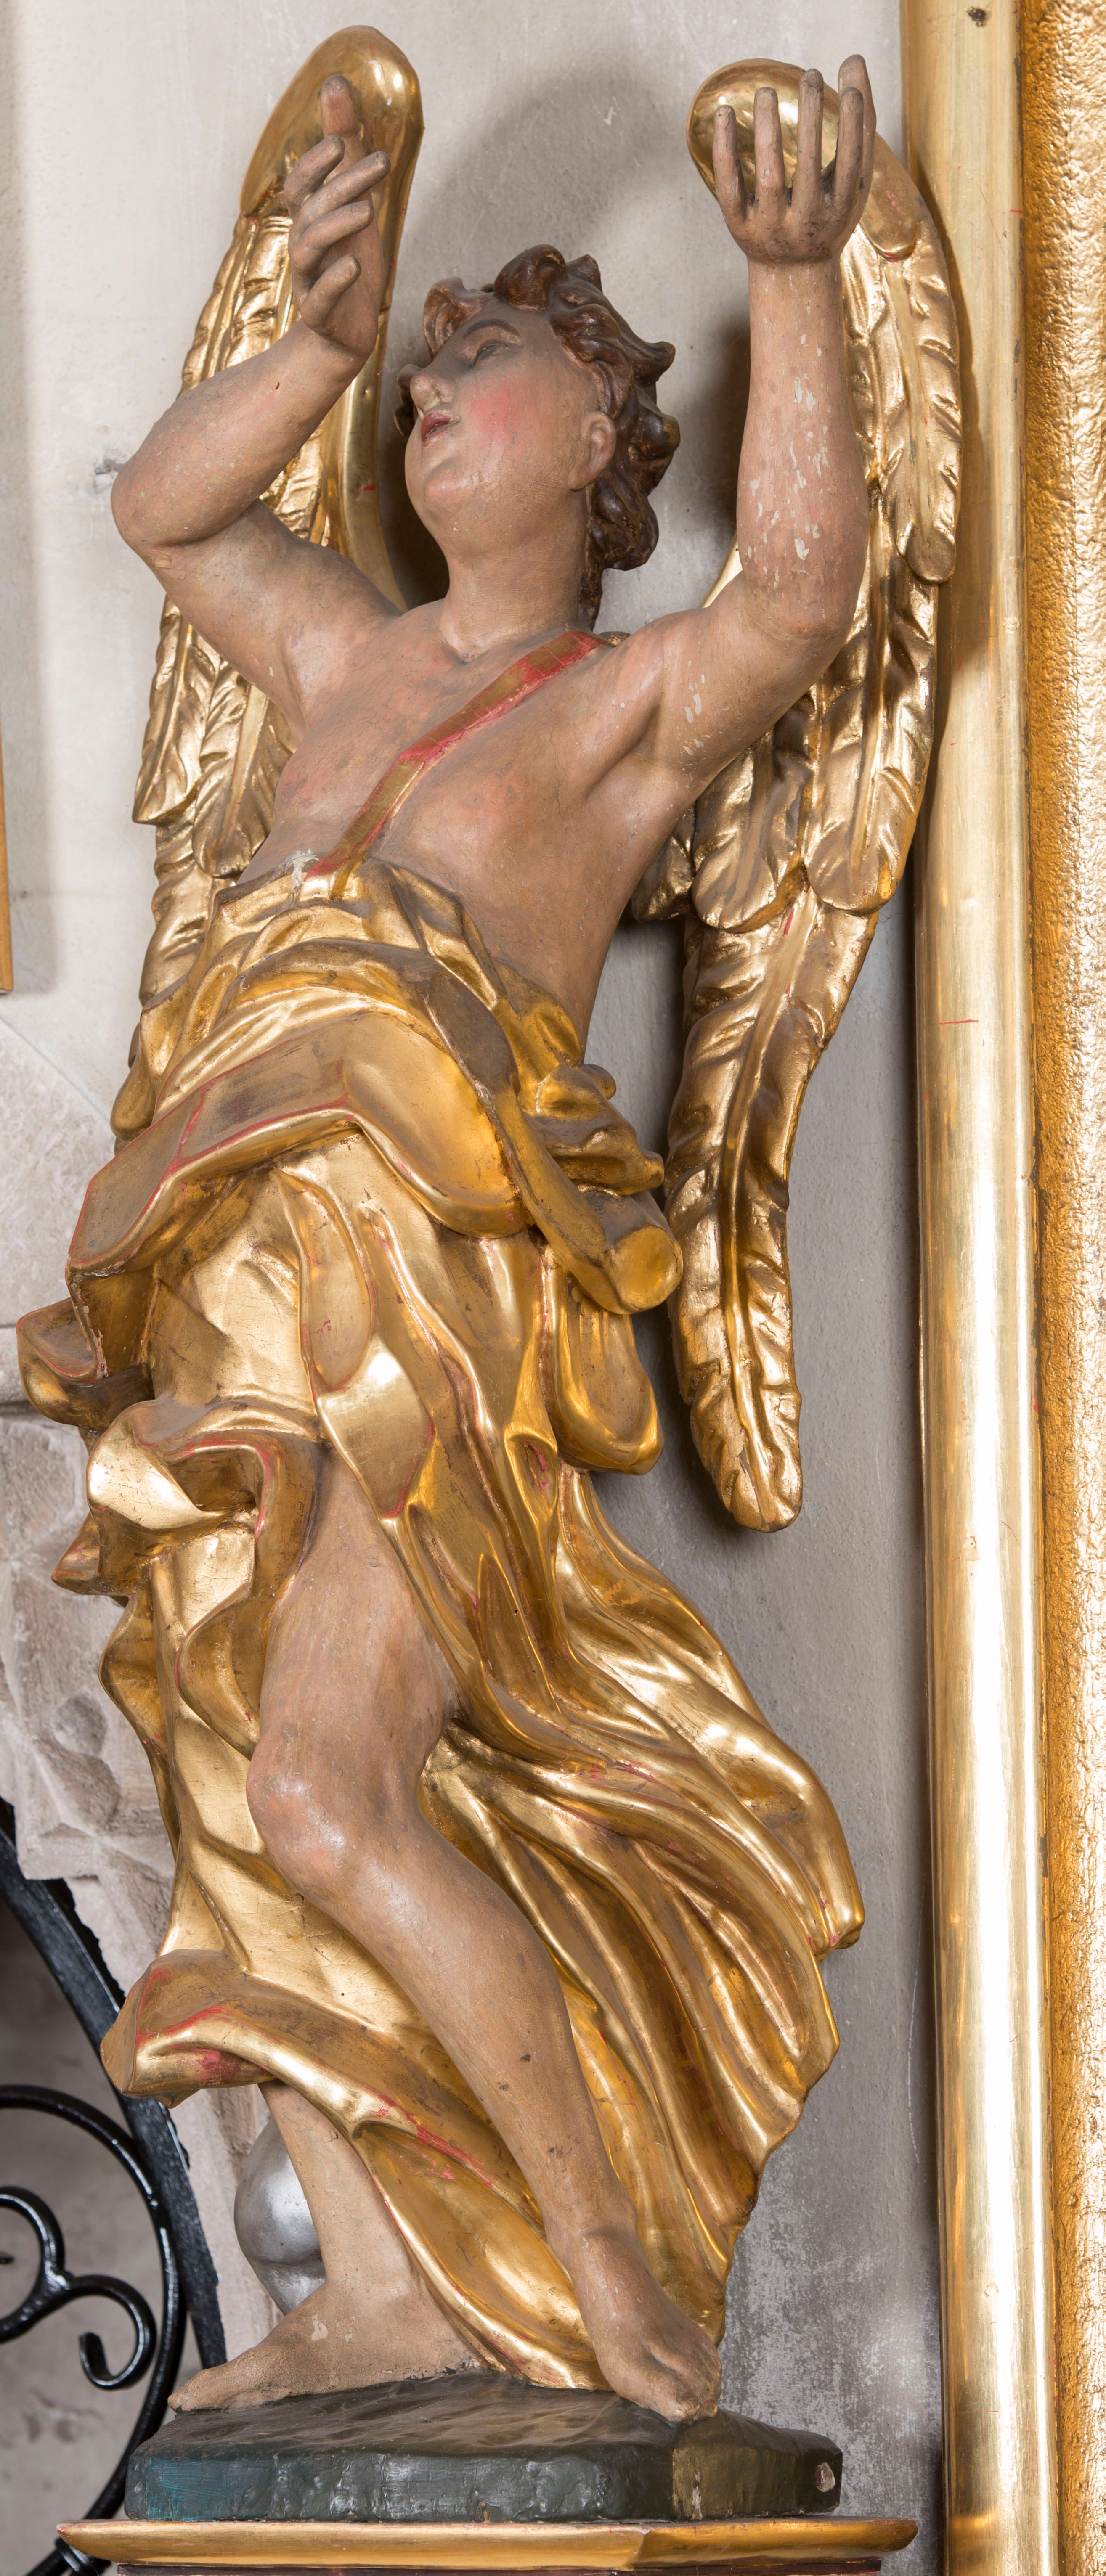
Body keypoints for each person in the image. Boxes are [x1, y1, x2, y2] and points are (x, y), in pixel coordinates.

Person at [20, 61, 872, 2420]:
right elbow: (173, 514)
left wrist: (796, 280)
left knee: (329, 1785)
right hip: (225, 1285)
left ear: (597, 437)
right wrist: (307, 344)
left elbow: (801, 591)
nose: (425, 395)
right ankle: (381, 2291)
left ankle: (610, 2287)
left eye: (473, 361)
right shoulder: (338, 655)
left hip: (423, 1310)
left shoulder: (611, 710)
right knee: (236, 1784)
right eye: (417, 368)